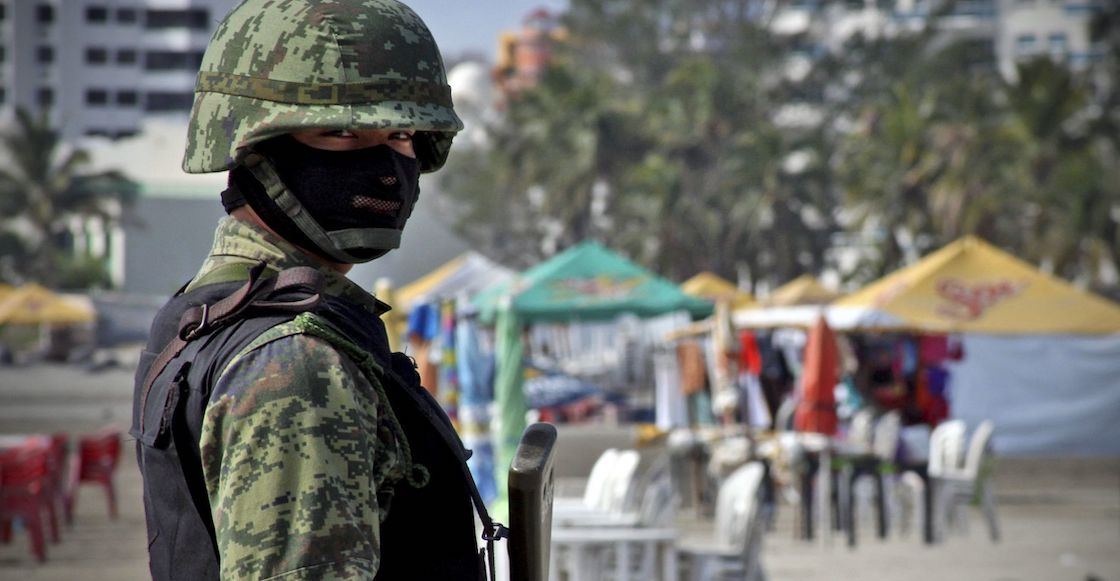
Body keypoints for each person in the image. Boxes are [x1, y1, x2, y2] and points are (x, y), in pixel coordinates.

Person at [130, 1, 498, 579]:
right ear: (253, 147)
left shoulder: (200, 317)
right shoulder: (296, 361)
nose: (385, 166)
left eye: (401, 134)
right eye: (341, 132)